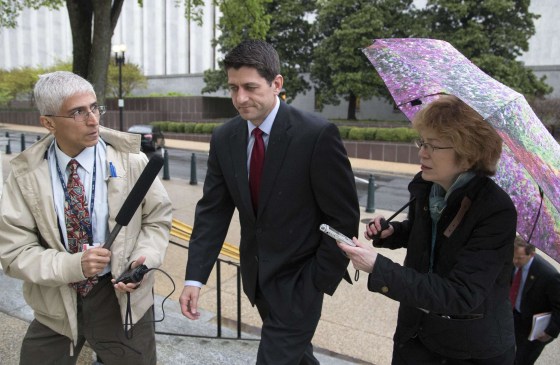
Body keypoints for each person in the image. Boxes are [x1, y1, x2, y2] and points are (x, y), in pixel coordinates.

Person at [179, 40, 360, 364]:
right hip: (258, 278)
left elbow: (342, 216)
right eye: (233, 88)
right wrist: (195, 276)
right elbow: (213, 212)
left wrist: (319, 278)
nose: (240, 98)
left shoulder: (316, 135)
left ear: (277, 83)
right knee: (297, 357)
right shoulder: (224, 138)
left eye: (250, 87)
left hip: (302, 282)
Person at [0, 71, 172, 365]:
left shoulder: (131, 161)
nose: (93, 120)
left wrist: (143, 258)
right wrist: (73, 265)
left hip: (120, 298)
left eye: (94, 107)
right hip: (55, 300)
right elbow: (14, 253)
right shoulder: (24, 175)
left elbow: (156, 219)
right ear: (48, 122)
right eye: (78, 112)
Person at [338, 95, 517, 364]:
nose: (422, 152)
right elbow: (432, 236)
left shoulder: (495, 209)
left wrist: (378, 266)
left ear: (468, 155)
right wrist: (395, 232)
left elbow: (461, 294)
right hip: (415, 337)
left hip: (469, 349)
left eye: (433, 146)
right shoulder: (428, 186)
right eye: (422, 142)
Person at [511, 236, 560, 365]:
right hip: (514, 316)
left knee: (522, 360)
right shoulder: (514, 261)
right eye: (513, 256)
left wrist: (550, 332)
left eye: (519, 258)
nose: (514, 261)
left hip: (533, 328)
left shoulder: (549, 275)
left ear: (531, 254)